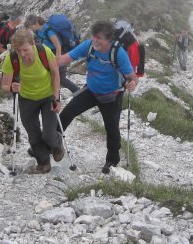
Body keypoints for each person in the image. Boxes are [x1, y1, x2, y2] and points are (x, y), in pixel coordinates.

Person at [57, 19, 139, 174]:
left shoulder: (118, 53)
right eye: (94, 35)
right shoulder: (88, 46)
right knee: (66, 114)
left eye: (99, 38)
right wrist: (43, 59)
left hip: (112, 95)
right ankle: (52, 144)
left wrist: (132, 84)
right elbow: (64, 59)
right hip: (91, 91)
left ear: (109, 39)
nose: (95, 39)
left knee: (111, 128)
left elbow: (132, 76)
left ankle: (112, 161)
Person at [0, 28, 64, 174]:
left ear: (33, 44)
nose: (22, 54)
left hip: (47, 96)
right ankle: (44, 162)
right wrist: (11, 87)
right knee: (33, 134)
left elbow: (55, 73)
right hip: (26, 98)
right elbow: (4, 86)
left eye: (25, 50)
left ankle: (57, 143)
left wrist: (56, 97)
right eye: (18, 50)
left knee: (48, 134)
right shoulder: (12, 59)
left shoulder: (44, 52)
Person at [25, 14, 81, 95]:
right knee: (50, 75)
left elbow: (58, 46)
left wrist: (58, 60)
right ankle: (51, 95)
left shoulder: (49, 31)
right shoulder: (37, 31)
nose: (31, 28)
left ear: (36, 23)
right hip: (49, 52)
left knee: (61, 78)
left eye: (31, 26)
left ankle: (78, 92)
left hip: (59, 53)